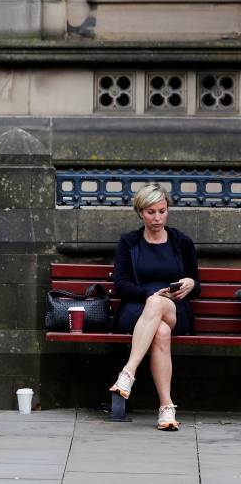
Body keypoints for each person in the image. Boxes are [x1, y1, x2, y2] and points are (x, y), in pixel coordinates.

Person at [108, 183, 200, 431]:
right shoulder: (129, 242)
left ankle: (128, 372)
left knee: (159, 305)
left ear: (167, 209)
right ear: (140, 212)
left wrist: (191, 282)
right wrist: (150, 294)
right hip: (137, 311)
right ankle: (166, 408)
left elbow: (197, 284)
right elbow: (121, 285)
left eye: (162, 211)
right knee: (160, 330)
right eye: (151, 212)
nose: (157, 217)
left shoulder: (182, 242)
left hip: (175, 309)